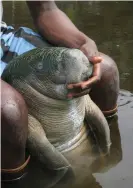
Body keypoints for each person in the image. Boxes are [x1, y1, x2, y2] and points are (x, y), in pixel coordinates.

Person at [0, 0, 119, 185]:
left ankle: (106, 157)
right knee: (9, 110)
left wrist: (83, 44)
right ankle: (16, 180)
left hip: (3, 37)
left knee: (106, 71)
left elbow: (45, 9)